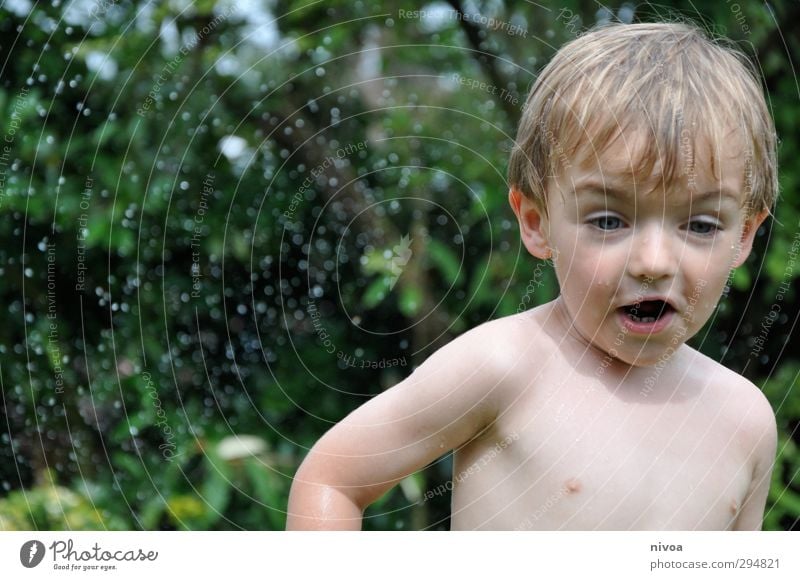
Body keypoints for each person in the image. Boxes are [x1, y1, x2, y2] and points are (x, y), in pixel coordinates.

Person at [286, 21, 778, 530]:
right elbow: (332, 481)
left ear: (744, 236)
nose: (653, 261)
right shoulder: (504, 368)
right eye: (609, 220)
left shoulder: (745, 422)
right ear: (537, 223)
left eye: (700, 224)